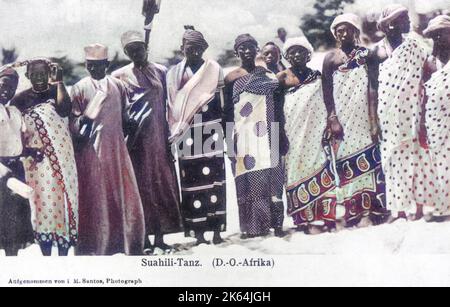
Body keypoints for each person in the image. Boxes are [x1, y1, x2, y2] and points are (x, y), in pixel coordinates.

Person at [71, 44, 145, 256]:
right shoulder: (79, 87)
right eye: (89, 65)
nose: (93, 69)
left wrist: (131, 124)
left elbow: (125, 116)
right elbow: (74, 122)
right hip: (91, 151)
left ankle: (123, 243)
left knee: (121, 193)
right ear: (86, 65)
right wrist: (81, 124)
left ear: (106, 64)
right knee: (95, 195)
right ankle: (96, 244)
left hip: (117, 149)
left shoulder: (118, 86)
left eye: (98, 65)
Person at [112, 32, 182, 254]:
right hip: (135, 142)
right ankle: (142, 239)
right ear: (126, 53)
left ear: (146, 49)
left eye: (139, 49)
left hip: (159, 138)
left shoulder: (161, 71)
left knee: (160, 186)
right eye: (131, 51)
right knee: (140, 189)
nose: (136, 53)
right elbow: (117, 108)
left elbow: (171, 104)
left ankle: (160, 238)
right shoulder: (119, 76)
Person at [322, 14, 387, 227]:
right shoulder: (330, 58)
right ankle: (352, 210)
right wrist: (332, 118)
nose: (343, 33)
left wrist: (373, 120)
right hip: (341, 117)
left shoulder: (367, 55)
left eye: (347, 29)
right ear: (335, 34)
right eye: (339, 30)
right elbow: (327, 91)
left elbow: (373, 87)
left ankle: (368, 209)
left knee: (368, 161)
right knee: (345, 161)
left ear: (355, 32)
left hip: (362, 117)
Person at [375, 5, 437, 221]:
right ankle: (400, 210)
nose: (409, 22)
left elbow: (427, 75)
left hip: (414, 111)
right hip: (389, 114)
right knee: (393, 159)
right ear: (391, 23)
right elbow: (373, 87)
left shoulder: (416, 47)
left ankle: (419, 208)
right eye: (404, 19)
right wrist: (376, 120)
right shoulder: (378, 51)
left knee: (419, 157)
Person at [11, 59, 78, 256]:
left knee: (64, 200)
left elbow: (65, 110)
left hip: (63, 158)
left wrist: (59, 83)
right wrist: (30, 152)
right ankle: (46, 253)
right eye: (35, 74)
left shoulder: (56, 91)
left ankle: (64, 253)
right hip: (37, 162)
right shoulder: (19, 100)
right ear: (27, 76)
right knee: (42, 204)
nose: (39, 77)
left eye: (43, 73)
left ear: (49, 74)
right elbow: (17, 132)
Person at [167, 27, 226, 245]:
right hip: (186, 133)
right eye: (188, 48)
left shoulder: (213, 68)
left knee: (214, 181)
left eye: (197, 49)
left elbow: (222, 102)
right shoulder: (173, 73)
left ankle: (217, 231)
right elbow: (172, 106)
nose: (193, 52)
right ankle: (199, 233)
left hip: (212, 131)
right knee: (192, 183)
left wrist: (225, 131)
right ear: (182, 49)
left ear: (204, 49)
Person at [224, 34, 287, 238]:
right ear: (237, 52)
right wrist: (228, 141)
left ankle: (276, 225)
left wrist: (280, 134)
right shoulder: (231, 78)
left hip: (268, 132)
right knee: (247, 179)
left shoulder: (268, 75)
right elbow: (227, 112)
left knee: (272, 178)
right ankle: (252, 227)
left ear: (256, 49)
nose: (247, 51)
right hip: (243, 135)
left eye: (251, 47)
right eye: (242, 48)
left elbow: (278, 107)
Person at [277, 37, 336, 233]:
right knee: (295, 170)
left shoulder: (317, 77)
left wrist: (328, 124)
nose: (296, 55)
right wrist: (281, 136)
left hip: (315, 133)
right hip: (292, 134)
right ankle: (302, 219)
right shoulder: (282, 78)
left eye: (300, 51)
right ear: (286, 56)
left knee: (320, 165)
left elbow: (327, 101)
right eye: (292, 52)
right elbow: (277, 110)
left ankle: (326, 217)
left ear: (308, 54)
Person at [0, 67, 34, 256]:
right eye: (4, 84)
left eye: (12, 87)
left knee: (16, 224)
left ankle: (11, 267)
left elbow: (18, 140)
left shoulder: (14, 111)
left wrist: (31, 151)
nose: (7, 90)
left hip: (17, 168)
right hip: (1, 170)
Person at [422, 15, 450, 221]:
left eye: (443, 32)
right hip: (435, 117)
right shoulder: (430, 62)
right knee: (440, 161)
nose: (440, 37)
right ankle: (444, 206)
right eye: (435, 34)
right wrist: (422, 123)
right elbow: (423, 94)